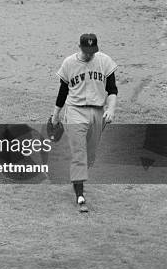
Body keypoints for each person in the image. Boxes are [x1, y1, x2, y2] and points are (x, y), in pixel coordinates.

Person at [50, 33, 118, 212]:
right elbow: (62, 92)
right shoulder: (68, 63)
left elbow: (112, 90)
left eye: (92, 51)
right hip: (75, 111)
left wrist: (110, 109)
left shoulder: (105, 61)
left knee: (89, 155)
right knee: (79, 154)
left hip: (97, 112)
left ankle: (77, 174)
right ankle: (80, 196)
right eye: (87, 51)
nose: (90, 55)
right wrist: (55, 115)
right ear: (79, 47)